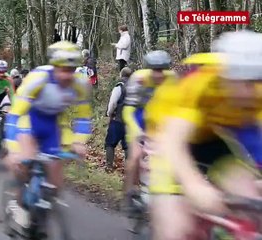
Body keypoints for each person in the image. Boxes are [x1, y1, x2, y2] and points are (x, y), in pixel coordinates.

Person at [148, 31, 262, 239]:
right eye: (245, 83)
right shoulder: (201, 86)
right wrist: (193, 184)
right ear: (226, 76)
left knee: (251, 202)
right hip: (169, 137)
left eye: (259, 82)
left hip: (211, 138)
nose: (252, 92)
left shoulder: (257, 94)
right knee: (175, 230)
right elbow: (173, 143)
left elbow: (256, 140)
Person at [3, 40, 92, 228]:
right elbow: (15, 115)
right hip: (29, 121)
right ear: (53, 66)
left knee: (56, 183)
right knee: (24, 161)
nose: (67, 74)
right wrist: (13, 150)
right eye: (62, 69)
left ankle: (43, 214)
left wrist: (79, 142)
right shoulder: (38, 79)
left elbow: (84, 117)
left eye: (71, 69)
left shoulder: (80, 85)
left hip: (52, 124)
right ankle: (17, 203)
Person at [122, 50, 177, 199]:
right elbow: (127, 111)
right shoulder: (138, 79)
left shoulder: (173, 79)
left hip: (158, 117)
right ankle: (130, 191)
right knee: (135, 156)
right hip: (138, 117)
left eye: (162, 70)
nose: (159, 75)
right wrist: (136, 130)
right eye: (155, 70)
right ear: (148, 69)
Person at [104, 67, 132, 170]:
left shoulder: (119, 87)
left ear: (121, 75)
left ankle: (109, 166)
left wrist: (109, 113)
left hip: (117, 120)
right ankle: (129, 168)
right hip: (130, 121)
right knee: (128, 145)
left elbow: (113, 103)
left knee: (110, 143)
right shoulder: (135, 87)